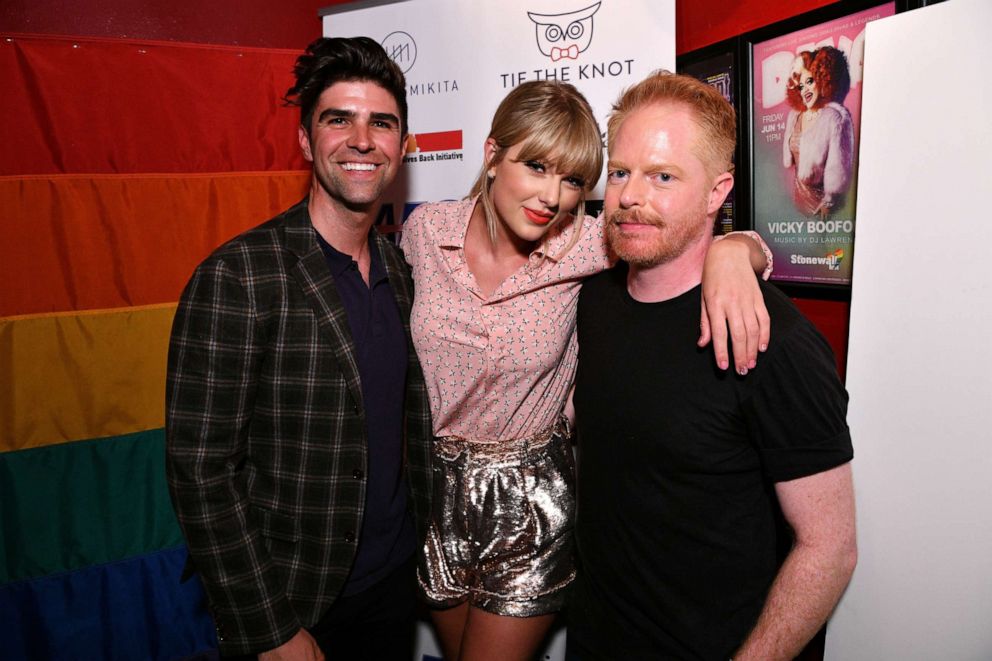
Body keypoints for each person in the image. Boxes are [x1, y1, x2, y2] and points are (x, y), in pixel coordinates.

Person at [400, 80, 774, 661]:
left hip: (528, 498)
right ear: (493, 154)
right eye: (538, 166)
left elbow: (685, 242)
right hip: (430, 491)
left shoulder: (590, 244)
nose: (552, 196)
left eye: (573, 180)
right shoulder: (425, 234)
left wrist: (737, 252)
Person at [568, 71, 857, 660]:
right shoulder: (591, 302)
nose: (629, 197)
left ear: (717, 192)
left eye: (663, 177)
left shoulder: (773, 340)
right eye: (620, 172)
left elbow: (828, 548)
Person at [165, 37, 432, 660]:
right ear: (308, 142)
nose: (363, 140)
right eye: (339, 119)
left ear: (403, 146)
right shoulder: (240, 275)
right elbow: (199, 471)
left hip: (395, 590)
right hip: (293, 603)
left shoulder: (406, 271)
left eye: (382, 123)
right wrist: (271, 628)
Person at [782, 46, 855, 218]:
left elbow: (839, 167)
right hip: (797, 202)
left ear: (822, 81)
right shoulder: (794, 117)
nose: (805, 90)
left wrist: (829, 201)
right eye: (801, 86)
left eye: (810, 82)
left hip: (821, 208)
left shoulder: (834, 118)